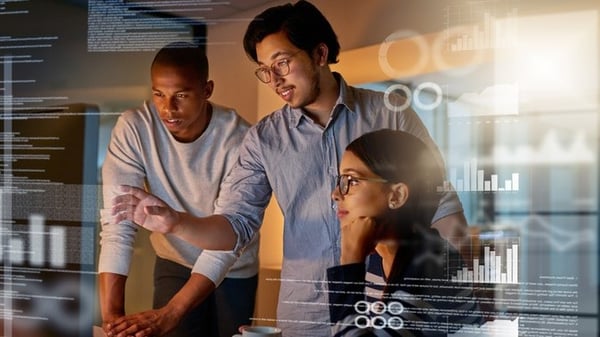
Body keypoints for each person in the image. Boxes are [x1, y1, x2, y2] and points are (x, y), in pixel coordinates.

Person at [110, 1, 468, 336]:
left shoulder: (390, 114)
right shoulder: (263, 139)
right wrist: (176, 221)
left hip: (387, 309)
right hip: (305, 315)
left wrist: (446, 289)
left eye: (282, 63)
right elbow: (235, 226)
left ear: (320, 53)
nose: (275, 80)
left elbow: (442, 204)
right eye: (265, 71)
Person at [98, 42, 258, 337]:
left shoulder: (240, 139)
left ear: (207, 90)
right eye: (158, 94)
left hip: (233, 267)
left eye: (181, 95)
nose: (167, 109)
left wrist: (172, 313)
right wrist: (113, 321)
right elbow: (117, 225)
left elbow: (229, 237)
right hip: (174, 259)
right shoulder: (134, 128)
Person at [327, 129, 483, 336]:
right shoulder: (380, 257)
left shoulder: (432, 265)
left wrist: (349, 263)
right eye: (341, 181)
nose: (336, 194)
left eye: (352, 181)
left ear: (397, 195)